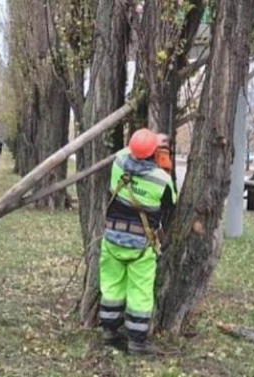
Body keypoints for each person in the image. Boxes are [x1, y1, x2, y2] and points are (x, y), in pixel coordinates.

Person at [99, 128, 176, 355]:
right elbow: (171, 205)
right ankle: (137, 343)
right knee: (140, 294)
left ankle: (109, 332)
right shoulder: (161, 179)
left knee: (111, 288)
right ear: (155, 152)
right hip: (141, 246)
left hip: (112, 239)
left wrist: (147, 141)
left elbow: (130, 150)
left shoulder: (119, 163)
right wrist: (161, 154)